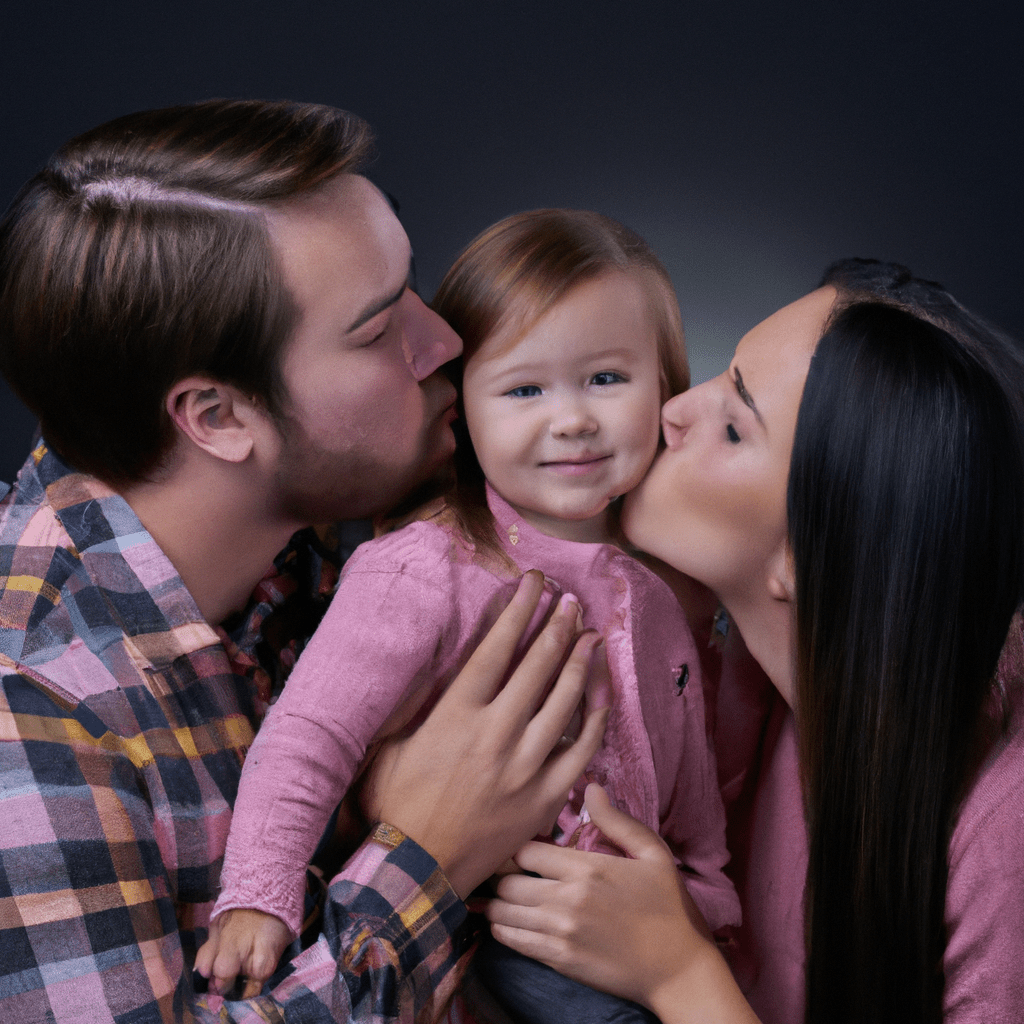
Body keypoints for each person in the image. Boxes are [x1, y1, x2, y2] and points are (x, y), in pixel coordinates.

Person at [0, 99, 609, 1024]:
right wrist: (426, 858)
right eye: (374, 331)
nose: (442, 340)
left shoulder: (339, 534)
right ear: (217, 418)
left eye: (410, 286)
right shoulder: (33, 701)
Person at [197, 209, 740, 1021]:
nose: (573, 419)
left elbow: (689, 794)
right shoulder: (425, 569)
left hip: (625, 930)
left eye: (607, 379)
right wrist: (257, 894)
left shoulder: (659, 598)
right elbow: (311, 734)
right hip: (481, 936)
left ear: (666, 386)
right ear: (464, 414)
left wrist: (705, 909)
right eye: (524, 390)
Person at [483, 259, 1024, 1024]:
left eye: (734, 426)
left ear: (808, 557)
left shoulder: (1008, 825)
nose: (675, 410)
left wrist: (679, 977)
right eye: (722, 371)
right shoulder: (737, 679)